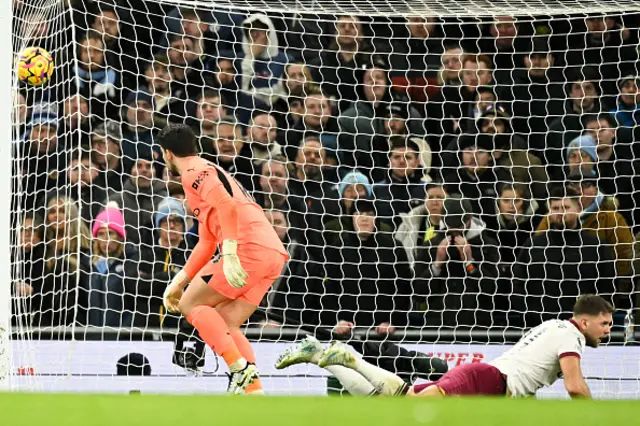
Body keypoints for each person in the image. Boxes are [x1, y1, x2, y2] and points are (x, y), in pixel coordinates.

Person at [158, 123, 288, 395]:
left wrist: (229, 253)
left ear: (167, 154)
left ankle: (239, 371)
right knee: (226, 322)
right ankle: (254, 391)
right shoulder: (206, 171)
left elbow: (226, 206)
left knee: (191, 304)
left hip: (247, 248)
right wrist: (179, 281)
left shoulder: (194, 171)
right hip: (271, 253)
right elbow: (206, 242)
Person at [276, 294, 613, 399]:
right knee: (405, 405)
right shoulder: (570, 336)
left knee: (396, 402)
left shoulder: (552, 326)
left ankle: (327, 357)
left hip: (487, 382)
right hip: (488, 383)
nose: (608, 331)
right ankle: (347, 358)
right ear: (584, 321)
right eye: (605, 323)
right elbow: (575, 386)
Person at [513, 188, 616, 326]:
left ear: (578, 209)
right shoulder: (532, 245)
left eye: (566, 207)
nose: (560, 213)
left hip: (583, 328)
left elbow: (607, 287)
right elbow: (518, 284)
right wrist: (529, 316)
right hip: (539, 327)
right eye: (555, 208)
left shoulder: (596, 246)